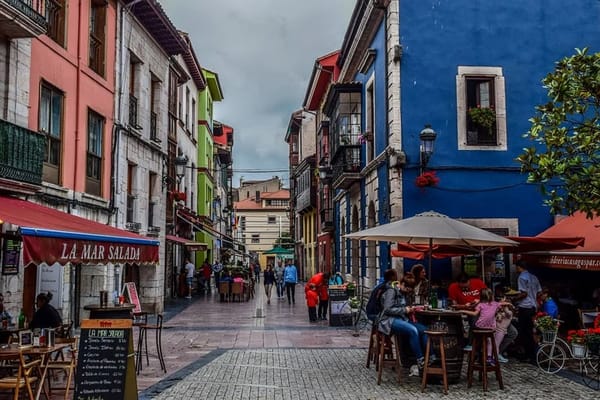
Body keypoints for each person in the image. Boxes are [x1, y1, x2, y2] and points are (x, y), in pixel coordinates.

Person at [377, 269, 431, 370]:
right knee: (413, 330)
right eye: (407, 288)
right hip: (389, 320)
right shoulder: (391, 291)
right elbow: (387, 309)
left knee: (424, 329)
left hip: (402, 319)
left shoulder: (404, 293)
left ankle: (431, 357)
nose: (408, 290)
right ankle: (420, 359)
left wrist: (411, 308)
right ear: (401, 284)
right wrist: (405, 310)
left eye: (410, 289)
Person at [459, 288, 513, 364]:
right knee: (490, 341)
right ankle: (489, 357)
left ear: (481, 296)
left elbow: (474, 314)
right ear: (491, 296)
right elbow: (502, 303)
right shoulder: (495, 304)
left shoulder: (481, 304)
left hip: (480, 326)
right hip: (490, 328)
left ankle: (472, 346)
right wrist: (509, 304)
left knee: (483, 339)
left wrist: (463, 310)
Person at [514, 260, 542, 363]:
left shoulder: (521, 277)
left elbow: (524, 294)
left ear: (519, 267)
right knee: (531, 331)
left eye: (516, 267)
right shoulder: (534, 277)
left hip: (525, 307)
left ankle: (528, 355)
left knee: (524, 332)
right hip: (533, 306)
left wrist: (514, 298)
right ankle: (533, 354)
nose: (516, 269)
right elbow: (539, 292)